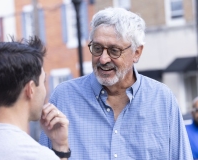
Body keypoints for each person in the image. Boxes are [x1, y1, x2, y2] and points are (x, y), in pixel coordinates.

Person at [39, 7, 193, 159]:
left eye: (114, 51)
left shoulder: (162, 100)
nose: (103, 59)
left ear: (137, 53)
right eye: (97, 48)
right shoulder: (64, 98)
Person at [0, 36, 71, 160]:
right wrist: (61, 148)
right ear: (30, 89)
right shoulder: (38, 155)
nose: (44, 90)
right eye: (43, 81)